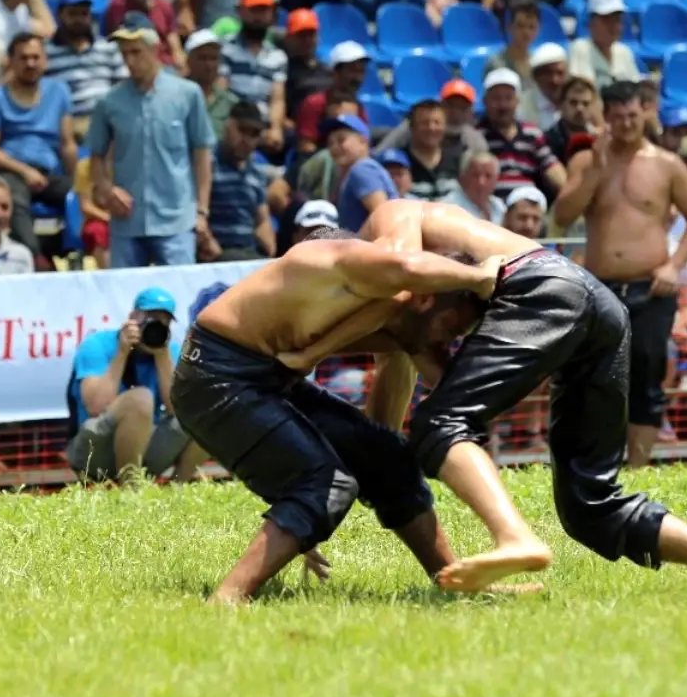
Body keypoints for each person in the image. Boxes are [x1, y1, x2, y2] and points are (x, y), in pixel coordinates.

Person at [280, 200, 687, 598]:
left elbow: (404, 269)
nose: (450, 334)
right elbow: (383, 431)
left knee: (439, 424)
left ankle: (516, 538)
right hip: (596, 308)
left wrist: (316, 347)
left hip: (540, 287)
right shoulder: (403, 320)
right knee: (590, 508)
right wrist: (327, 515)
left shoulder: (387, 223)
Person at [169, 231, 508, 605]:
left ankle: (454, 581)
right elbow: (410, 265)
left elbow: (444, 380)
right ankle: (228, 597)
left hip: (266, 380)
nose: (447, 341)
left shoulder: (395, 312)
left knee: (387, 457)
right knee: (326, 481)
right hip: (215, 377)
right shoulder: (351, 261)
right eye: (449, 330)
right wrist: (482, 274)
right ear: (426, 295)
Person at [552, 80, 687, 467]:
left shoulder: (666, 164)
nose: (625, 124)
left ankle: (638, 466)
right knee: (594, 376)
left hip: (651, 287)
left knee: (646, 377)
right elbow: (561, 216)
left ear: (645, 114)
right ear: (605, 118)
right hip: (601, 286)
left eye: (633, 116)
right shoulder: (586, 161)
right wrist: (597, 170)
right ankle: (594, 461)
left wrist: (675, 264)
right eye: (618, 117)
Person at [66, 288, 206, 484]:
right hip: (94, 451)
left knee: (204, 412)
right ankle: (130, 489)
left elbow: (178, 408)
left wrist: (161, 355)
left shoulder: (170, 351)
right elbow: (95, 406)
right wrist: (122, 353)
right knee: (141, 398)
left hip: (145, 446)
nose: (157, 325)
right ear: (133, 317)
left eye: (164, 320)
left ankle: (177, 487)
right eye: (151, 318)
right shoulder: (97, 343)